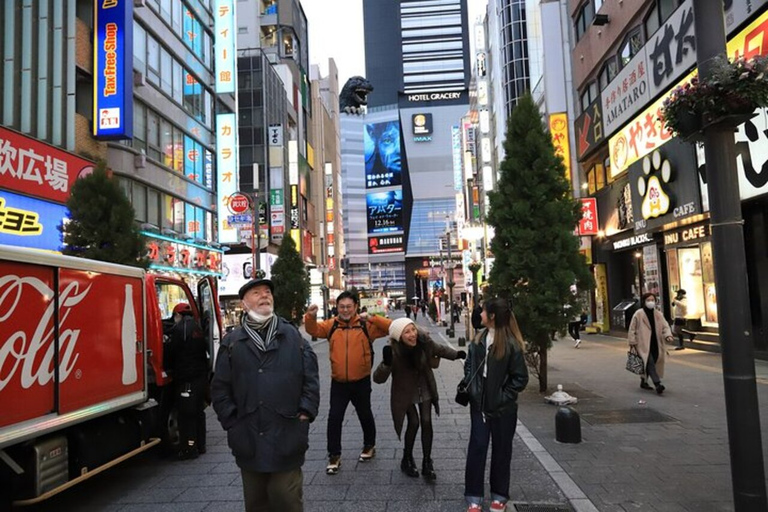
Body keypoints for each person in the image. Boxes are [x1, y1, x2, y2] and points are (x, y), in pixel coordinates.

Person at [211, 278, 320, 512]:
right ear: (244, 303)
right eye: (256, 292)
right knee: (256, 502)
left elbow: (311, 379)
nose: (264, 296)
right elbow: (219, 388)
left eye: (268, 292)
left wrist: (305, 413)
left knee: (285, 497)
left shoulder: (293, 336)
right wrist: (231, 421)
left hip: (287, 431)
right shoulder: (232, 343)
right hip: (248, 435)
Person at [304, 291, 391, 475]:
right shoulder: (332, 325)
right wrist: (310, 317)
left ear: (356, 307)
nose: (345, 310)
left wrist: (372, 318)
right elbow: (313, 330)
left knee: (365, 414)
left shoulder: (366, 326)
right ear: (337, 308)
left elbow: (390, 327)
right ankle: (334, 455)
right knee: (334, 417)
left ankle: (369, 445)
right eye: (341, 307)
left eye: (348, 307)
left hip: (361, 380)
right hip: (339, 382)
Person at [373, 318, 465, 481]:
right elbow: (378, 379)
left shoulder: (424, 343)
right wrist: (386, 364)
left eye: (413, 329)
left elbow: (440, 349)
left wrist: (456, 354)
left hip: (424, 385)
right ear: (399, 336)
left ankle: (427, 462)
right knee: (414, 422)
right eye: (406, 332)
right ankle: (406, 458)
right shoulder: (393, 351)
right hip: (405, 391)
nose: (412, 334)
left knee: (426, 421)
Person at [464, 297, 529, 512]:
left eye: (483, 311)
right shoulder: (479, 339)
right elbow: (469, 365)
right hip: (479, 405)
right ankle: (473, 496)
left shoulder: (511, 344)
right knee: (477, 447)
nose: (479, 314)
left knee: (502, 450)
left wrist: (502, 397)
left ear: (492, 316)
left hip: (503, 409)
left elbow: (520, 378)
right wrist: (470, 386)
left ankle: (499, 495)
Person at [164, 302, 209, 460]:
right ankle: (201, 445)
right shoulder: (198, 328)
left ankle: (190, 448)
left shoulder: (178, 329)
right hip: (200, 377)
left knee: (186, 415)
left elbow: (170, 353)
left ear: (178, 315)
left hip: (185, 379)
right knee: (198, 412)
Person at [628, 292, 674, 394]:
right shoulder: (639, 314)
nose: (651, 302)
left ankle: (643, 381)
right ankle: (657, 384)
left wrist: (668, 335)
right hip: (642, 343)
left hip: (656, 342)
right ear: (644, 302)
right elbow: (632, 328)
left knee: (652, 361)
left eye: (652, 300)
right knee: (650, 362)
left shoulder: (658, 314)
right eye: (648, 300)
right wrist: (632, 341)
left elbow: (665, 326)